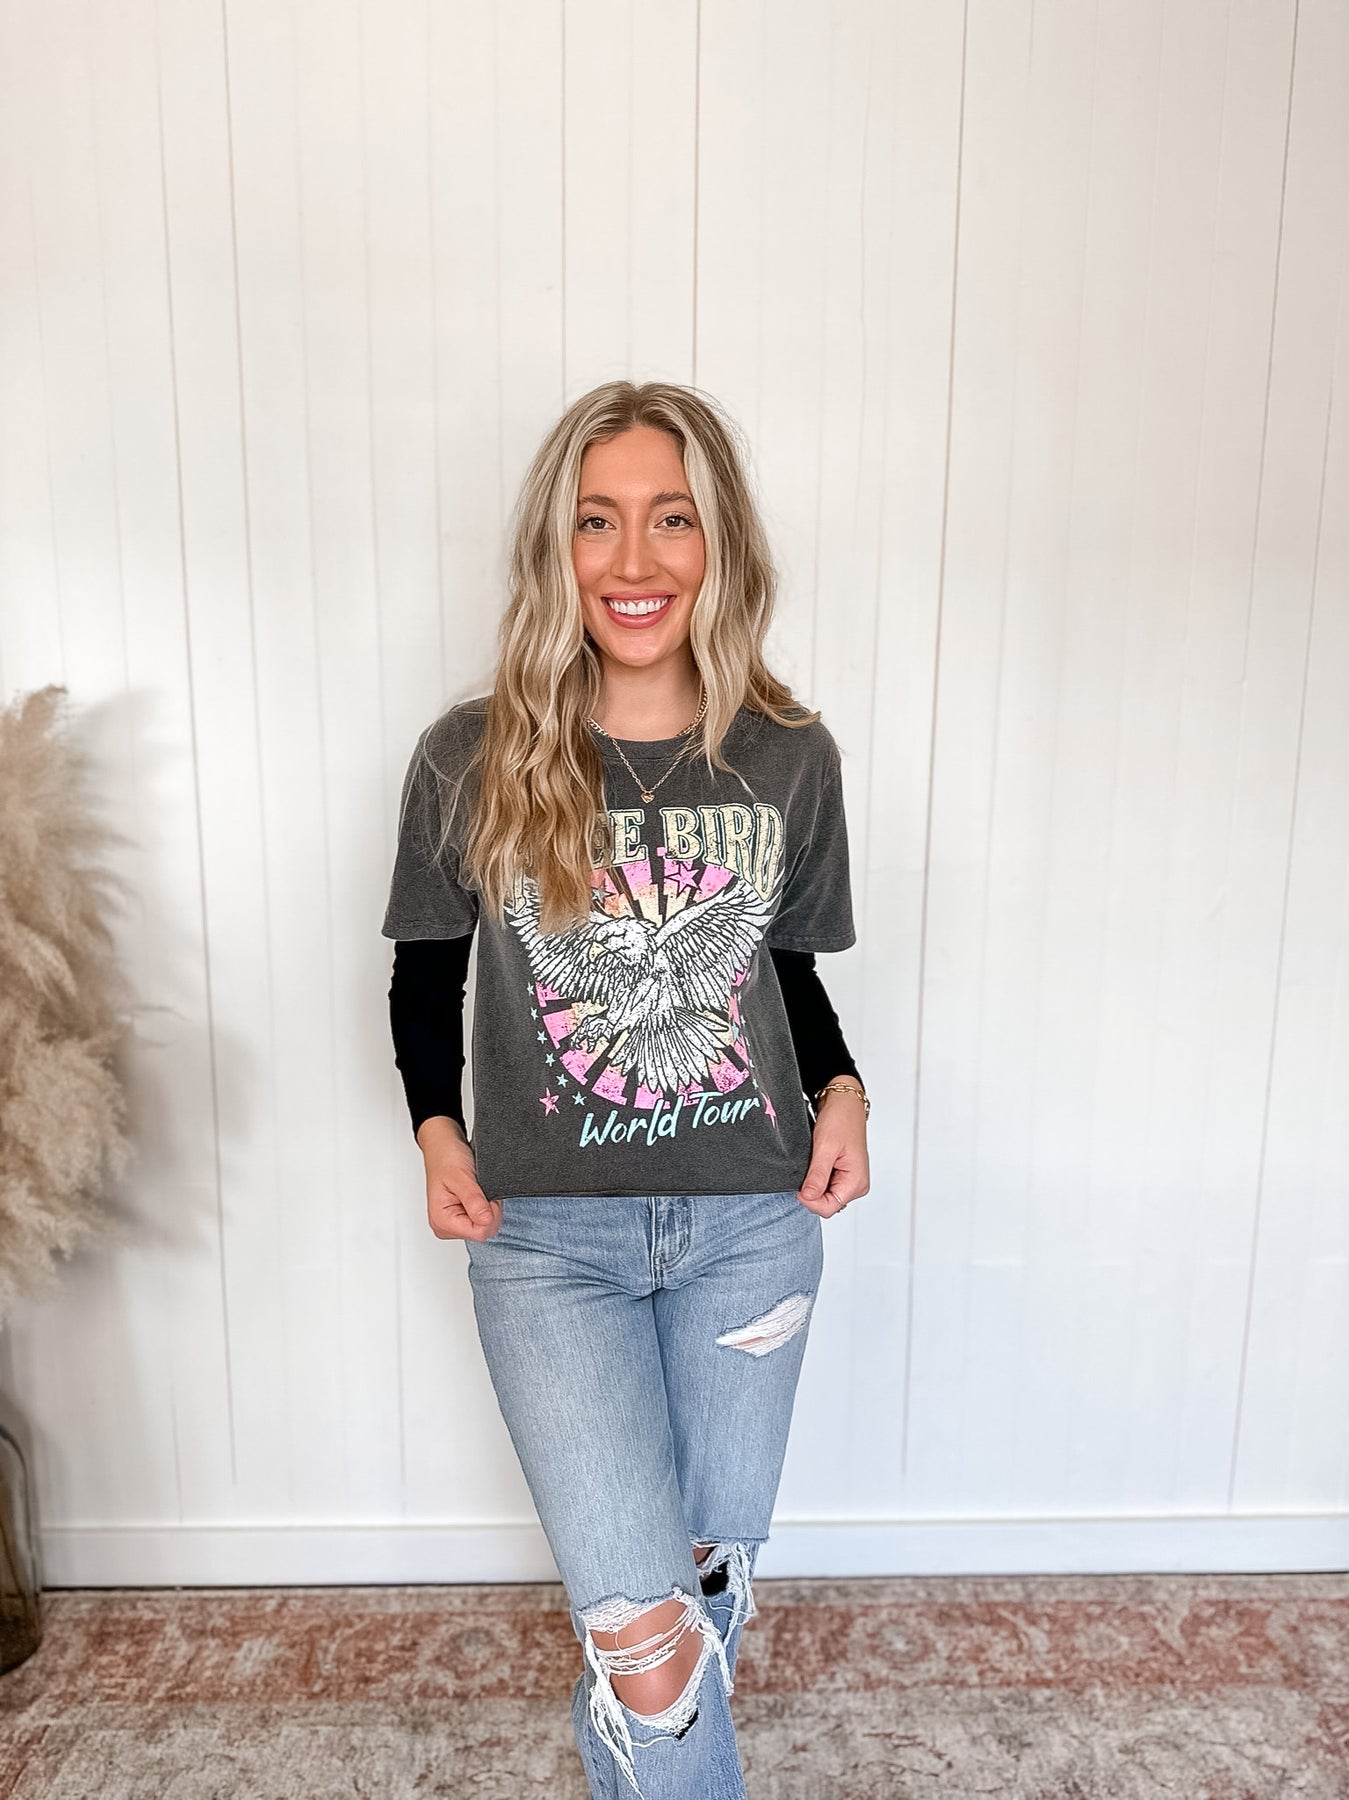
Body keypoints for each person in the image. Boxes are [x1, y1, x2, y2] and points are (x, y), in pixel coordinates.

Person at [381, 380, 869, 1799]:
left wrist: (843, 1090)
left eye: (673, 520)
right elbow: (424, 975)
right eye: (598, 521)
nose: (635, 560)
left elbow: (781, 974)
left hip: (751, 1227)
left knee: (700, 1608)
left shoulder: (788, 756)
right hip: (547, 1245)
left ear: (721, 545)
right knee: (643, 1643)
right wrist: (436, 1131)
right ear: (557, 547)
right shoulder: (468, 756)